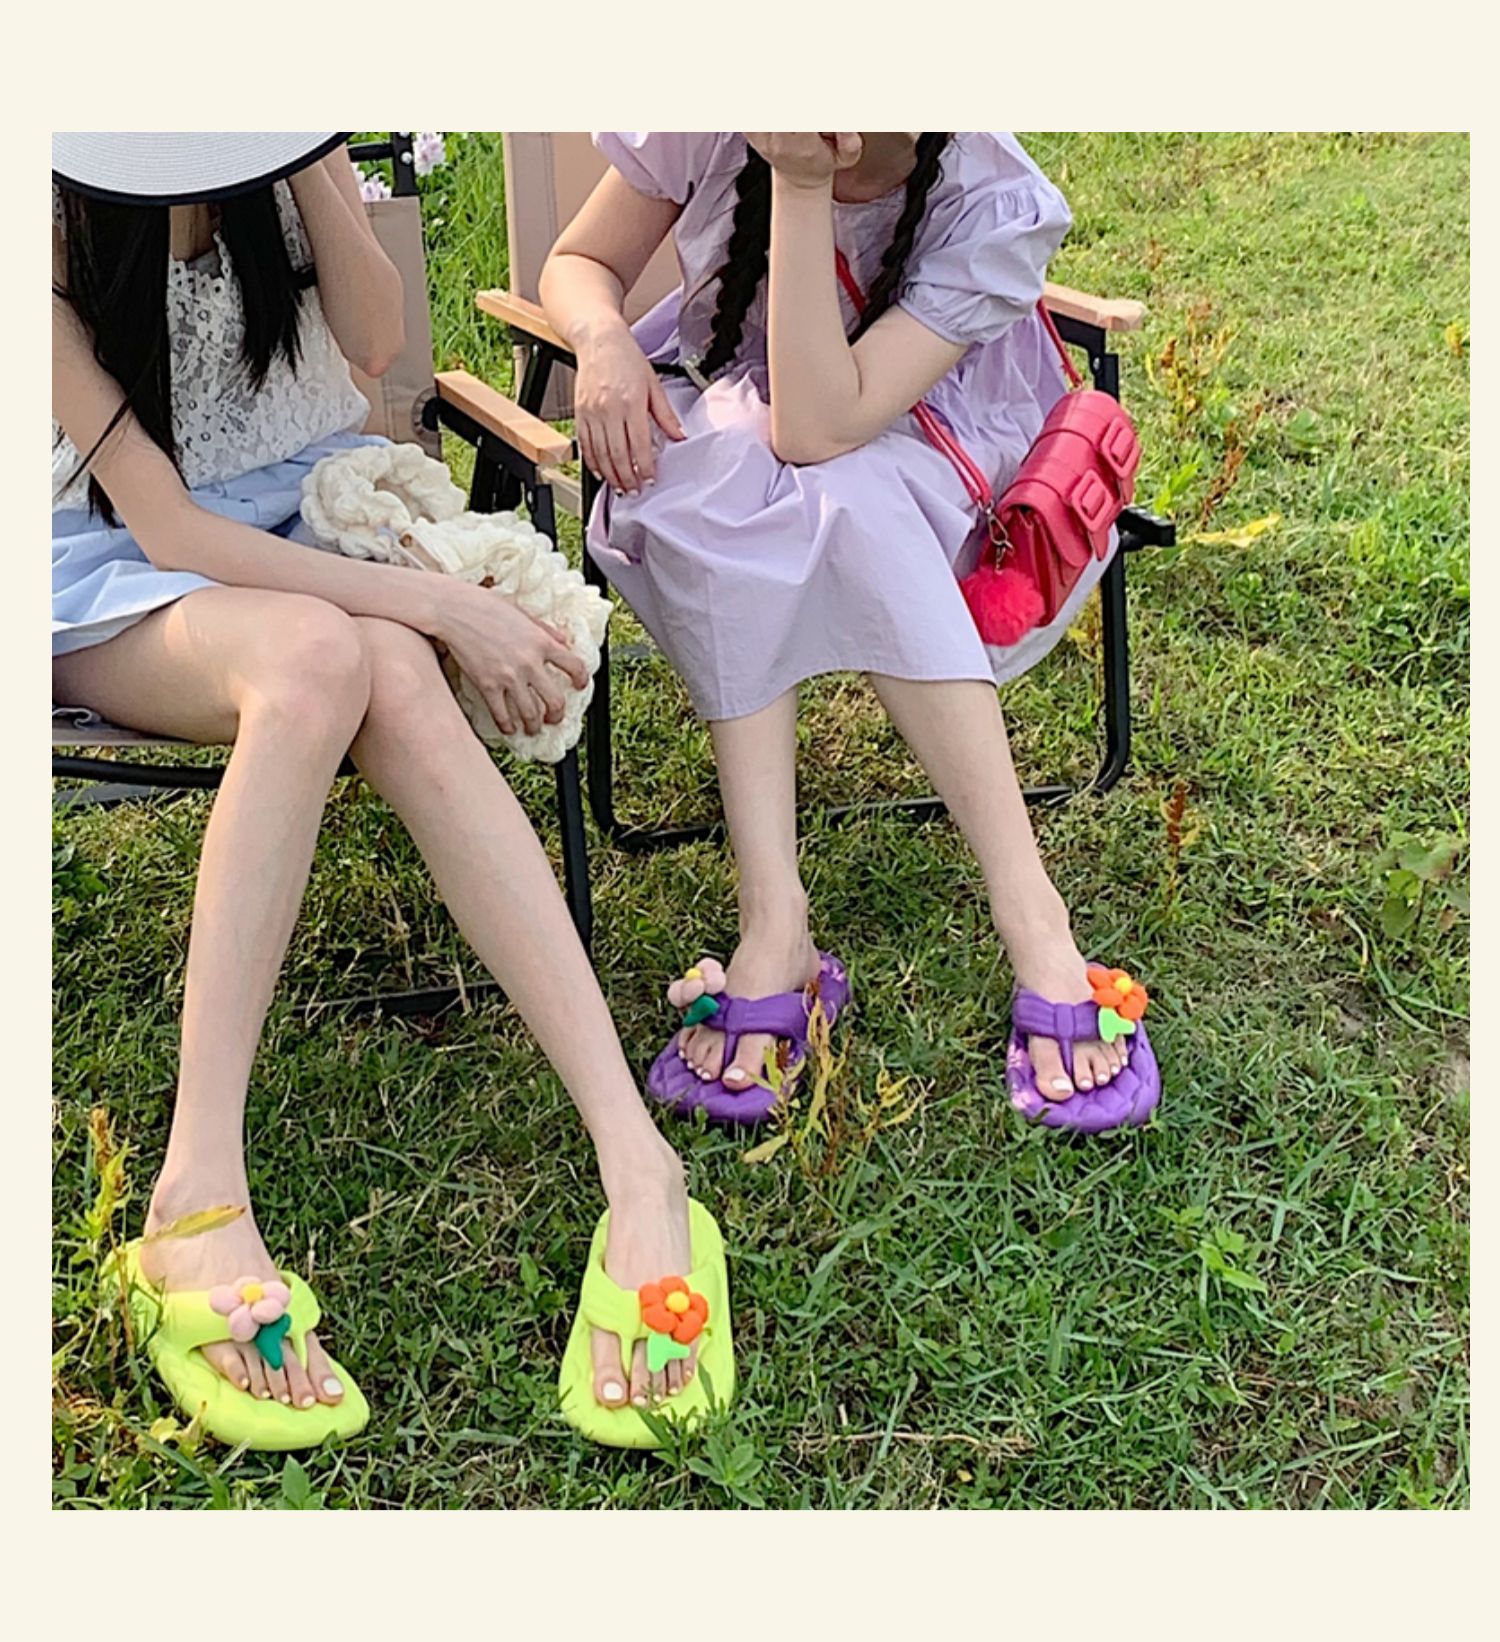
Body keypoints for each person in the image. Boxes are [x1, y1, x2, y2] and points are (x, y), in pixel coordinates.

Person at [52, 132, 721, 1448]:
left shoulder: (273, 163)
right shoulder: (51, 220)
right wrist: (438, 604)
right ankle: (194, 1188)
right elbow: (169, 526)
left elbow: (371, 342)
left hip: (301, 519)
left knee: (390, 674)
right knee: (324, 656)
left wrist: (303, 146)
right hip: (115, 561)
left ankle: (637, 1156)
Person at [540, 131, 1159, 1131]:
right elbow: (581, 260)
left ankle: (1031, 913)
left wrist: (800, 179)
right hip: (744, 420)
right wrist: (603, 335)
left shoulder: (988, 196)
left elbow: (819, 428)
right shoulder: (715, 119)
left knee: (847, 496)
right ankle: (773, 915)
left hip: (940, 456)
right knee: (725, 491)